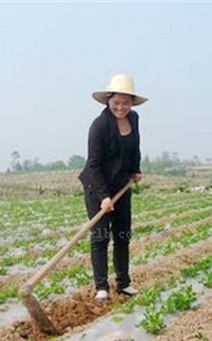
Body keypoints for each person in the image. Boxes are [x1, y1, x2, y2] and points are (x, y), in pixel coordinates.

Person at [78, 74, 146, 302]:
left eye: (125, 103)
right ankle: (101, 287)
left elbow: (135, 147)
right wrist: (103, 197)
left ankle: (123, 283)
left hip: (121, 185)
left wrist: (135, 169)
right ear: (109, 100)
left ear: (131, 102)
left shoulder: (134, 119)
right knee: (99, 237)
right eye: (116, 102)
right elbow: (94, 164)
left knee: (123, 235)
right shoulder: (99, 126)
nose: (121, 107)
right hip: (97, 186)